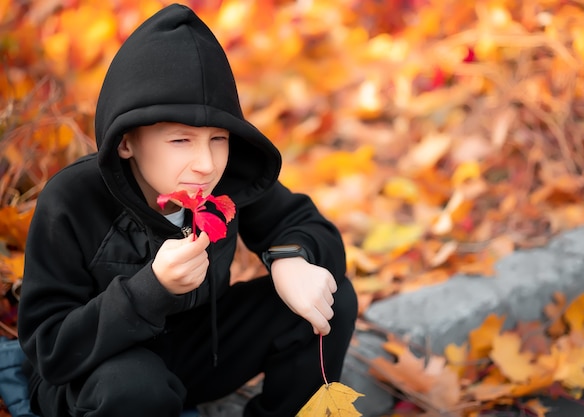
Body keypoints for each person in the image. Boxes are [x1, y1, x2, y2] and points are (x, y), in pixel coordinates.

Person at [17, 3, 358, 416]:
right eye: (181, 141)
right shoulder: (72, 199)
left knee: (328, 298)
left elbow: (305, 224)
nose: (207, 163)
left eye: (218, 139)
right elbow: (50, 348)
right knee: (136, 389)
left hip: (195, 354)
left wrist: (291, 259)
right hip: (92, 372)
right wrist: (151, 288)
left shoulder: (225, 181)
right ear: (126, 142)